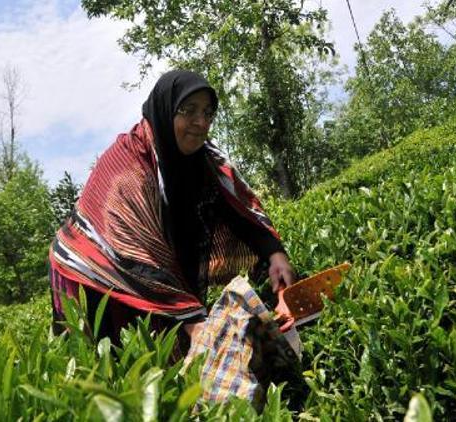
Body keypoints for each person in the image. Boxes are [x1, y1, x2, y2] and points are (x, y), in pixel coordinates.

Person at [48, 70, 295, 349]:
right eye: (188, 111)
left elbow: (234, 207)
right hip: (92, 272)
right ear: (166, 111)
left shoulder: (203, 159)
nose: (200, 122)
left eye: (207, 112)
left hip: (154, 263)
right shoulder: (129, 168)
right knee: (118, 354)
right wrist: (191, 320)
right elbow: (136, 253)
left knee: (185, 337)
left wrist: (275, 254)